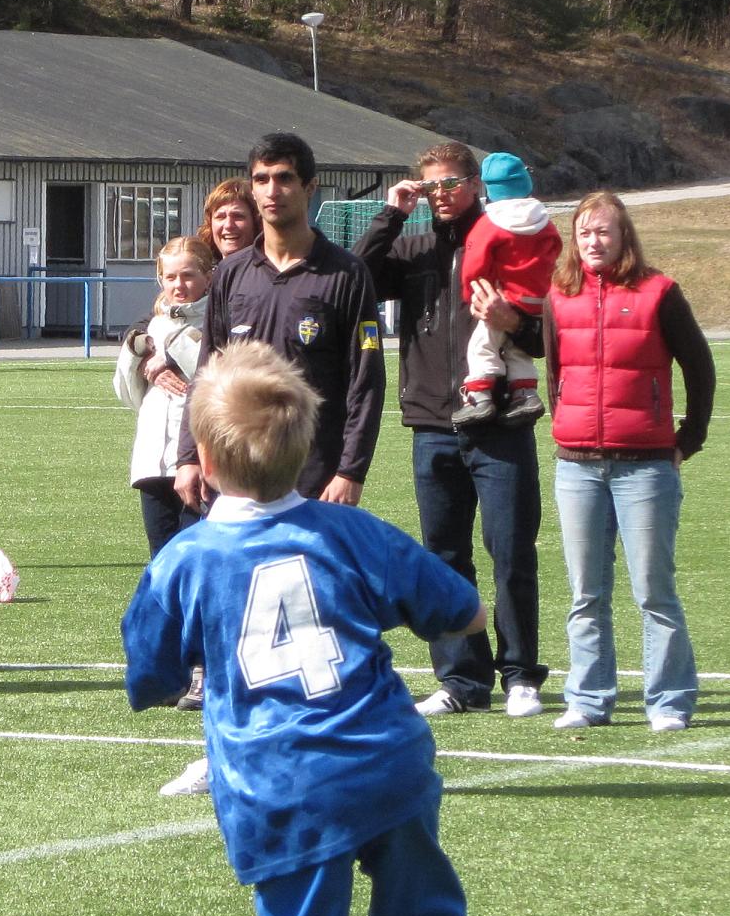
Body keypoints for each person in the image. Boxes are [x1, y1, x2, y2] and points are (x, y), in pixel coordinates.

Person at [122, 342, 516, 916]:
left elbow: (149, 674)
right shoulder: (350, 531)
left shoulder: (187, 559)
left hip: (282, 790)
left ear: (204, 457)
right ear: (304, 449)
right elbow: (463, 610)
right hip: (386, 765)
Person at [164, 133, 386, 796]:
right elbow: (208, 374)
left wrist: (350, 470)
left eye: (284, 178)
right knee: (232, 618)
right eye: (261, 178)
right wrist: (190, 454)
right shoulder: (233, 274)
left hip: (312, 480)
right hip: (234, 481)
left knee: (317, 624)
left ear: (308, 188)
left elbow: (366, 381)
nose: (271, 190)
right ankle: (225, 753)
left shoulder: (345, 274)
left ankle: (333, 754)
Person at [356, 144, 551, 720]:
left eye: (450, 183)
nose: (439, 194)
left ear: (475, 184)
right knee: (442, 559)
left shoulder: (507, 237)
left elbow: (549, 334)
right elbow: (355, 277)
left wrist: (514, 322)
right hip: (432, 424)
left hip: (500, 423)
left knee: (511, 551)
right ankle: (462, 679)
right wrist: (391, 214)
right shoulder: (413, 247)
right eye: (429, 186)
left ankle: (520, 675)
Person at [545, 191, 714, 733]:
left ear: (623, 237)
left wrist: (688, 439)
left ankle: (669, 702)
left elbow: (700, 367)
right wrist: (566, 424)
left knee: (654, 592)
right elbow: (556, 374)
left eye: (604, 232)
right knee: (585, 593)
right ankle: (588, 699)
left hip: (645, 467)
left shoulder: (659, 292)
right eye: (584, 232)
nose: (593, 242)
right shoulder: (559, 295)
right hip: (577, 467)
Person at [115, 235, 215, 557]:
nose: (179, 285)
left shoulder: (218, 321)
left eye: (188, 276)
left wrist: (173, 353)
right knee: (160, 559)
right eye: (170, 277)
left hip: (197, 460)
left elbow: (216, 377)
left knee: (194, 556)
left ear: (208, 277)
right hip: (152, 463)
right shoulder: (153, 326)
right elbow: (126, 393)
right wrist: (136, 354)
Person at [453, 154, 560, 429]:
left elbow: (475, 263)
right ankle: (525, 392)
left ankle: (479, 396)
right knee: (517, 349)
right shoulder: (543, 219)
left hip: (503, 297)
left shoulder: (490, 223)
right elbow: (555, 249)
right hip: (538, 299)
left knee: (482, 345)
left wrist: (472, 294)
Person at [203, 176, 261, 264]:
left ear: (256, 222)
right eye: (220, 217)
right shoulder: (202, 270)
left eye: (238, 216)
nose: (228, 225)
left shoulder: (269, 271)